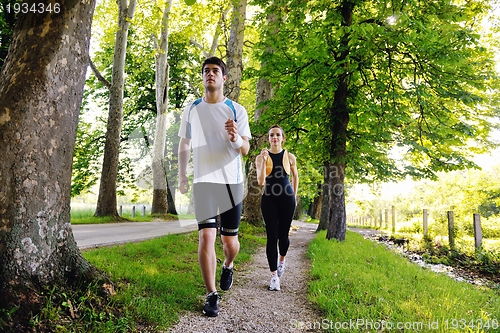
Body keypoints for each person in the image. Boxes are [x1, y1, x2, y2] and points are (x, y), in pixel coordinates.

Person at [177, 56, 251, 317]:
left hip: (231, 182)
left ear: (224, 78)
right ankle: (211, 295)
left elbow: (245, 148)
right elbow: (184, 142)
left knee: (229, 241)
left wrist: (234, 139)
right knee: (206, 236)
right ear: (203, 76)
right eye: (206, 71)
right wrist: (182, 174)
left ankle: (228, 264)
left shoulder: (236, 110)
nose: (210, 74)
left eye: (215, 71)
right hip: (204, 182)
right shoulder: (192, 109)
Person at [255, 125, 298, 291]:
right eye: (271, 135)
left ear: (282, 138)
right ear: (268, 138)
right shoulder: (261, 158)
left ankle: (282, 260)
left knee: (283, 236)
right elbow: (260, 181)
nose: (274, 137)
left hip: (287, 200)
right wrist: (264, 160)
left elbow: (295, 177)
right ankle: (274, 277)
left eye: (277, 135)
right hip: (269, 200)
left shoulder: (290, 157)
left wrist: (294, 195)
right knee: (271, 236)